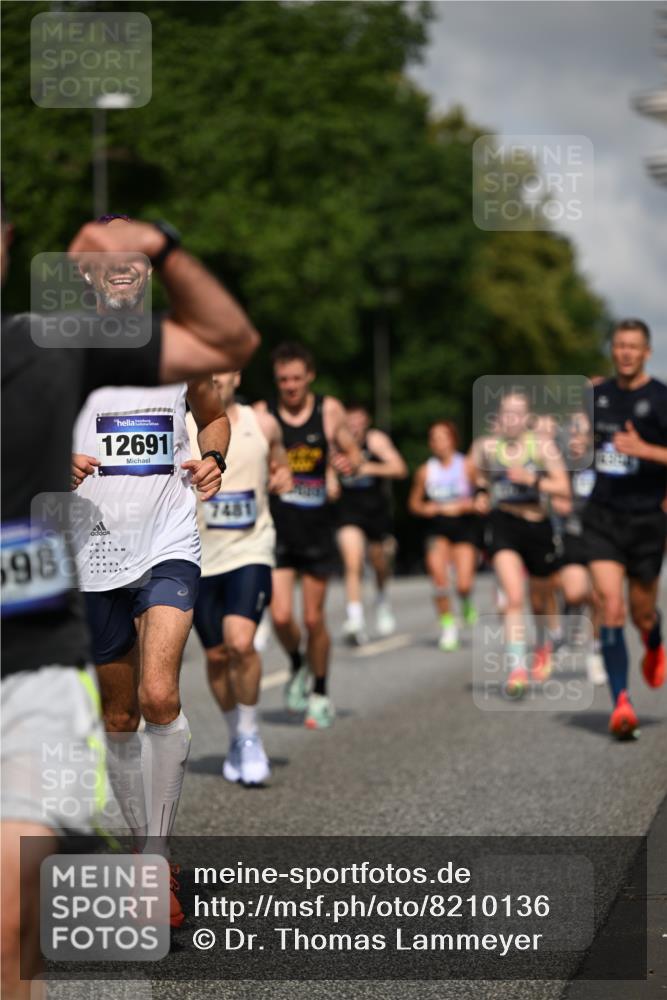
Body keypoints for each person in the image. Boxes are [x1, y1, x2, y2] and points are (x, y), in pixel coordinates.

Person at [1, 201, 259, 998]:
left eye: (130, 268)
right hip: (88, 556)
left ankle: (154, 857)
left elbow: (213, 414)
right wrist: (66, 463)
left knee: (157, 693)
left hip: (166, 544)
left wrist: (210, 460)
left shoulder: (165, 353)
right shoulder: (58, 347)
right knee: (116, 717)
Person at [187, 370, 292, 784]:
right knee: (216, 656)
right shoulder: (182, 420)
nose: (217, 378)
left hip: (251, 549)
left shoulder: (262, 423)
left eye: (225, 370)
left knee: (241, 643)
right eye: (208, 370)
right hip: (196, 555)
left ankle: (249, 737)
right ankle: (235, 734)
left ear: (238, 375)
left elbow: (280, 465)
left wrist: (282, 475)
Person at [262, 342, 361, 729]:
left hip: (318, 527)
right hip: (279, 526)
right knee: (282, 615)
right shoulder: (264, 414)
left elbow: (356, 457)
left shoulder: (329, 410)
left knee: (314, 618)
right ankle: (298, 664)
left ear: (310, 377)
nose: (289, 386)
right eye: (283, 379)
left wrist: (345, 463)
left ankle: (320, 692)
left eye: (296, 379)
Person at [581, 319, 667, 739]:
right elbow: (573, 445)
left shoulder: (662, 398)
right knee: (609, 606)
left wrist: (645, 450)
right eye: (620, 346)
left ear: (646, 352)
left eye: (634, 346)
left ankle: (654, 641)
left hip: (648, 519)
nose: (626, 353)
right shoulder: (596, 395)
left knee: (641, 613)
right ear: (612, 350)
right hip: (602, 516)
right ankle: (621, 702)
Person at [469, 393, 570, 695]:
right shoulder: (488, 447)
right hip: (504, 525)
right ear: (499, 416)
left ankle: (548, 638)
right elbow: (477, 477)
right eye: (506, 413)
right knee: (513, 598)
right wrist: (481, 494)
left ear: (527, 418)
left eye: (517, 414)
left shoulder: (541, 446)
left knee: (541, 601)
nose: (511, 419)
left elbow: (563, 487)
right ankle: (517, 670)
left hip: (538, 526)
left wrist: (532, 480)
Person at [335, 403, 407, 644]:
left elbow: (400, 469)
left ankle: (381, 598)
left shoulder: (375, 440)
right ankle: (355, 619)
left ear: (366, 422)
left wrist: (368, 467)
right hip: (348, 512)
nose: (354, 426)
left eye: (358, 421)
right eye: (349, 421)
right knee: (352, 562)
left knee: (379, 562)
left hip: (375, 511)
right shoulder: (336, 442)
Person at [408, 421, 480, 651]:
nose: (437, 443)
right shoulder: (425, 471)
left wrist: (466, 506)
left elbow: (483, 497)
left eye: (442, 437)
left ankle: (466, 600)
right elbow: (414, 504)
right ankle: (448, 628)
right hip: (436, 529)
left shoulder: (466, 465)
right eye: (433, 438)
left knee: (463, 583)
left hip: (463, 527)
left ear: (453, 440)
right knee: (439, 580)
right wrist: (426, 508)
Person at [550, 410, 606, 685]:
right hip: (573, 533)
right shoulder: (561, 464)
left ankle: (594, 652)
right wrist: (558, 501)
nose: (574, 439)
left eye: (579, 433)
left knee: (600, 598)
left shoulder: (603, 462)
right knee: (574, 593)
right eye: (569, 433)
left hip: (603, 536)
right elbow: (551, 495)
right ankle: (568, 618)